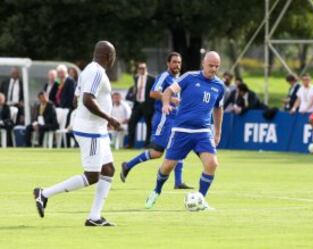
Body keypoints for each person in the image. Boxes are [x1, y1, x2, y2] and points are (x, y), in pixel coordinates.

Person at [33, 41, 121, 226]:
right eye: (113, 55)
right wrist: (109, 118)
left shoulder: (88, 69)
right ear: (108, 56)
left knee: (108, 169)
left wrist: (100, 119)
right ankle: (44, 193)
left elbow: (76, 100)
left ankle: (95, 217)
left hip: (95, 128)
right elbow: (88, 100)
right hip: (91, 131)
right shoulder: (96, 72)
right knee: (92, 176)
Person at [144, 51, 225, 210]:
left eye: (217, 66)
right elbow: (168, 91)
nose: (213, 69)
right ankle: (156, 191)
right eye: (211, 65)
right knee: (167, 166)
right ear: (203, 63)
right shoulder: (189, 77)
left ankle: (201, 200)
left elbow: (218, 108)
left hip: (203, 132)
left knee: (212, 164)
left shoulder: (220, 86)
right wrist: (166, 104)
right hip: (181, 130)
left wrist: (218, 131)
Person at [120, 52, 193, 189]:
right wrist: (170, 99)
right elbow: (153, 93)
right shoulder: (164, 76)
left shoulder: (179, 80)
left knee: (179, 146)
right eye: (174, 62)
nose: (177, 65)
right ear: (168, 63)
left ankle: (178, 182)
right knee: (156, 153)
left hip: (176, 120)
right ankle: (128, 165)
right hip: (164, 119)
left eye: (179, 62)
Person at [127, 62, 155, 148]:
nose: (141, 69)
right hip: (137, 104)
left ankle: (147, 144)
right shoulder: (136, 77)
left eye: (143, 68)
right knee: (131, 123)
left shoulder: (152, 78)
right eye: (140, 68)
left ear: (146, 68)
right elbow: (135, 89)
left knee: (148, 125)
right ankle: (130, 144)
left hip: (147, 105)